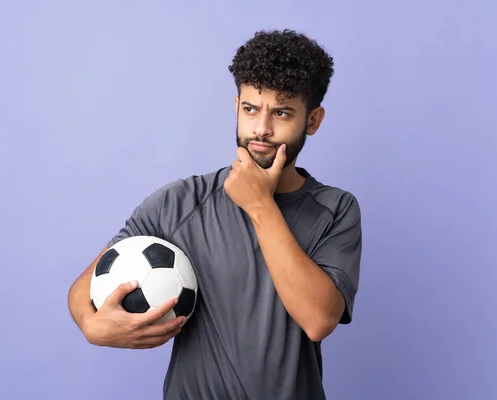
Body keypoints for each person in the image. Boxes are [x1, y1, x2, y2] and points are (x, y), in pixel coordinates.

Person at [68, 29, 362, 400]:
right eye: (251, 109)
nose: (261, 129)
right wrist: (91, 326)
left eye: (282, 113)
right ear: (237, 106)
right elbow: (85, 285)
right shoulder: (180, 202)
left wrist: (259, 204)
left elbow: (319, 320)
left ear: (313, 120)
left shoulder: (336, 210)